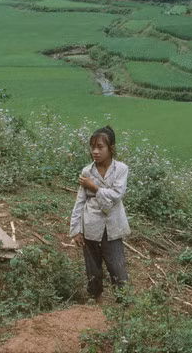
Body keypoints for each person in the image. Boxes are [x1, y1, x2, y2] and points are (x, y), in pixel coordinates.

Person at [69, 125, 130, 302]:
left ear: (111, 149)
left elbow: (117, 195)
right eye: (92, 147)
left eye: (100, 147)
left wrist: (94, 187)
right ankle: (97, 300)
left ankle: (124, 302)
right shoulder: (87, 172)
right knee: (93, 267)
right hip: (91, 224)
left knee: (117, 266)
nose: (95, 151)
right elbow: (80, 201)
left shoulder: (121, 170)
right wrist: (76, 230)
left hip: (113, 225)